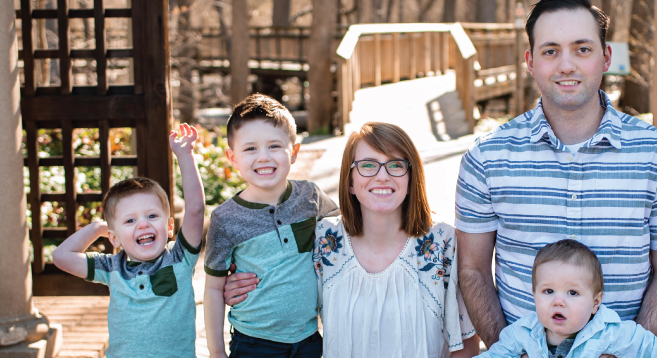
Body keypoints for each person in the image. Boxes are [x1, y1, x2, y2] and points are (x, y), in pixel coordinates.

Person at [455, 0, 657, 352]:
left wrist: (625, 352)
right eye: (550, 50)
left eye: (582, 49)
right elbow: (473, 270)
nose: (566, 65)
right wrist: (512, 349)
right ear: (531, 61)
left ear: (605, 57)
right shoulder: (486, 157)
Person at [225, 122, 480, 357]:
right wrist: (240, 280)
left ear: (412, 178)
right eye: (368, 165)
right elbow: (282, 280)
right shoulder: (325, 241)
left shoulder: (442, 243)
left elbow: (466, 343)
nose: (382, 176)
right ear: (350, 182)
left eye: (396, 164)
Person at [52, 123, 205, 358]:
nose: (143, 224)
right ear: (114, 238)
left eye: (152, 216)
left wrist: (185, 155)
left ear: (169, 226)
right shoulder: (111, 267)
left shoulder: (179, 258)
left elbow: (195, 209)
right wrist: (96, 228)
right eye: (130, 221)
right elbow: (61, 257)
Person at [203, 94, 338, 358]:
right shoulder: (225, 218)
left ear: (294, 152)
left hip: (309, 339)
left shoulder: (310, 197)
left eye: (274, 146)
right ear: (233, 158)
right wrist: (216, 352)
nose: (263, 157)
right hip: (254, 343)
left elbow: (348, 229)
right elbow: (212, 288)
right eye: (250, 149)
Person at [478, 239, 657, 358]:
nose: (558, 301)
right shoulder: (521, 333)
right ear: (534, 295)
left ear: (596, 303)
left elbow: (655, 351)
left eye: (572, 293)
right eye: (548, 291)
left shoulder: (613, 333)